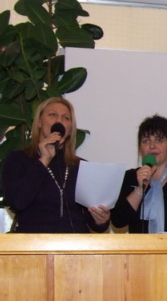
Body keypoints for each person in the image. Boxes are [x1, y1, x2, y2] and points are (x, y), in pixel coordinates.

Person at [2, 97, 111, 233]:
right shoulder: (18, 159)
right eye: (52, 115)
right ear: (39, 122)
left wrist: (101, 220)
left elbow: (94, 223)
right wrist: (44, 160)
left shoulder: (81, 166)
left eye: (66, 118)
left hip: (78, 243)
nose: (59, 121)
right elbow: (17, 202)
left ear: (70, 129)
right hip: (34, 241)